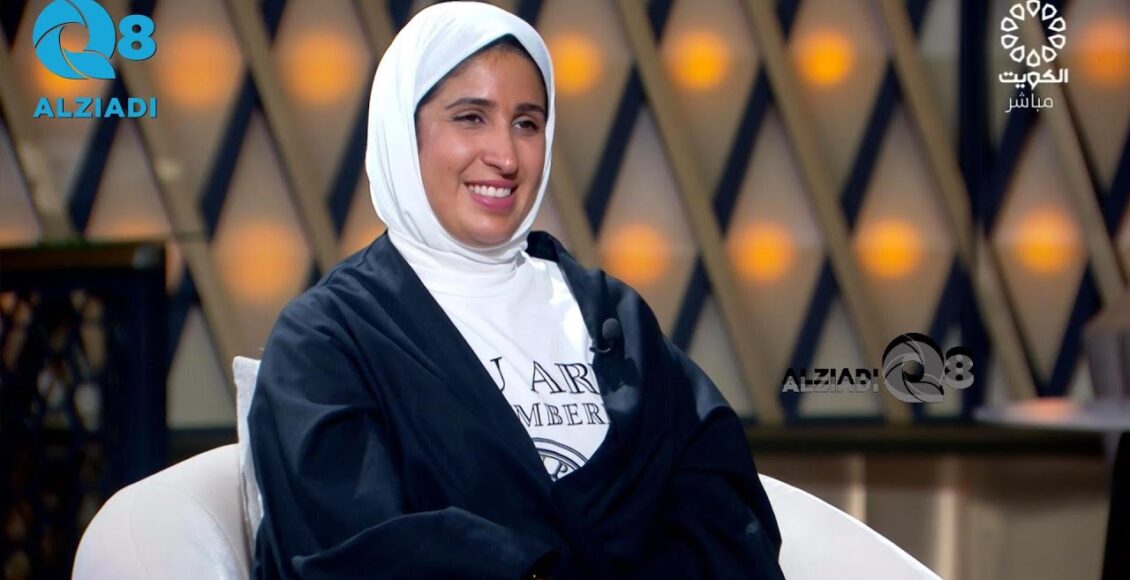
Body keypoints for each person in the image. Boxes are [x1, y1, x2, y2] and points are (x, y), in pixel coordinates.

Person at [248, 3, 783, 578]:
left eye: (527, 123)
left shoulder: (612, 315)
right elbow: (360, 547)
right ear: (403, 132)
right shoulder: (328, 339)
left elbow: (722, 500)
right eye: (471, 118)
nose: (505, 156)